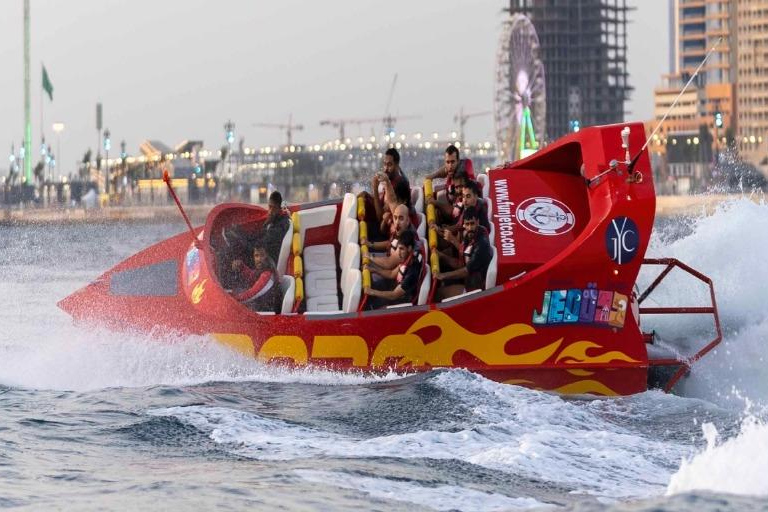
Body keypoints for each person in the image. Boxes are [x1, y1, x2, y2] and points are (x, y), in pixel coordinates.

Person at [435, 206, 492, 301]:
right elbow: (461, 263)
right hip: (467, 278)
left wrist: (443, 275)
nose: (470, 227)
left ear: (477, 222)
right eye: (467, 224)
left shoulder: (481, 245)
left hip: (475, 290)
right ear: (464, 225)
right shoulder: (468, 235)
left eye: (472, 224)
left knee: (439, 293)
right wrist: (442, 256)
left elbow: (465, 271)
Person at [364, 229, 422, 309]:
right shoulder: (406, 258)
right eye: (398, 249)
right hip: (393, 287)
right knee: (371, 285)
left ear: (409, 248)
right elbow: (391, 274)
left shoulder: (412, 272)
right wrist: (374, 270)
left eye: (401, 249)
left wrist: (372, 292)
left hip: (401, 302)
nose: (398, 253)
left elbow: (394, 295)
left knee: (370, 303)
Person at [366, 204, 419, 273]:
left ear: (408, 221)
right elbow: (390, 243)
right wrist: (370, 244)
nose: (397, 222)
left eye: (401, 218)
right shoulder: (401, 229)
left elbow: (388, 263)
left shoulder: (408, 240)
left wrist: (369, 256)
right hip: (388, 262)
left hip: (390, 276)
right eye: (395, 217)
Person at [230, 246, 282, 312]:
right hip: (260, 306)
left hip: (265, 313)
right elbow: (252, 277)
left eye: (262, 255)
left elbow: (252, 294)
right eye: (256, 256)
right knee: (237, 290)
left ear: (268, 257)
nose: (259, 259)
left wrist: (230, 299)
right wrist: (242, 267)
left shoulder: (268, 274)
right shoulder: (263, 270)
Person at [260, 191, 291, 264]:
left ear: (279, 208)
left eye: (273, 208)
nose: (270, 211)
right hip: (265, 255)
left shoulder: (281, 224)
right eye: (269, 207)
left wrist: (265, 224)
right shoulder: (275, 220)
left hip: (269, 262)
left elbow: (263, 243)